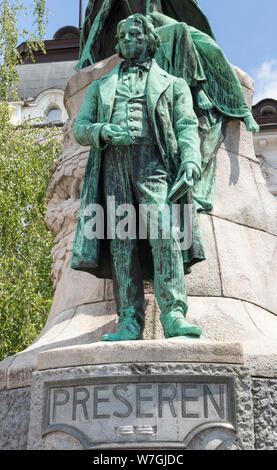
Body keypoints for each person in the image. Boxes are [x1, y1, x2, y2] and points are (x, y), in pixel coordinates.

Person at [71, 14, 205, 341]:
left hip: (153, 162)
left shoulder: (173, 85)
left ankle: (173, 313)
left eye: (135, 34)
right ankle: (129, 319)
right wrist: (101, 130)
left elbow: (187, 126)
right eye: (123, 36)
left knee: (165, 234)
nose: (129, 40)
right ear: (118, 43)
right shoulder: (101, 86)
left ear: (149, 39)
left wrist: (190, 160)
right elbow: (79, 127)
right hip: (113, 164)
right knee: (121, 242)